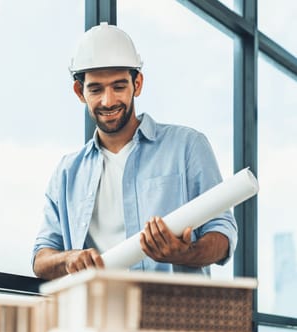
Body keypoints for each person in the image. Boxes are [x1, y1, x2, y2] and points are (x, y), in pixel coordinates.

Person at [32, 22, 237, 280]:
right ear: (79, 91)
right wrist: (68, 258)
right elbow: (41, 258)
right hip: (98, 316)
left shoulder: (187, 146)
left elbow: (222, 233)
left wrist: (186, 252)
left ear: (137, 84)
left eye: (118, 86)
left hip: (174, 314)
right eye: (96, 89)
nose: (108, 101)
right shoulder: (67, 172)